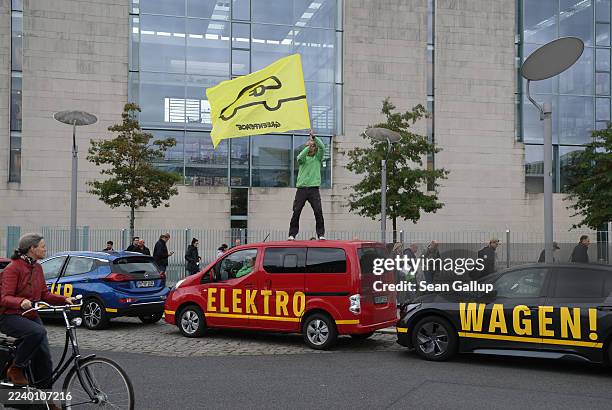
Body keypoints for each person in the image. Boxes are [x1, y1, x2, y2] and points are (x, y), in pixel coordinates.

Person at [0, 234, 75, 409]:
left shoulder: (38, 268)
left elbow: (44, 295)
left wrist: (64, 299)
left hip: (30, 315)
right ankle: (16, 368)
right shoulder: (13, 268)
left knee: (45, 359)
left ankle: (46, 400)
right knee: (38, 332)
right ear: (31, 248)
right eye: (42, 246)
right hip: (9, 316)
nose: (45, 249)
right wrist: (20, 301)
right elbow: (4, 297)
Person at [288, 129, 325, 240]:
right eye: (311, 146)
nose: (312, 148)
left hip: (314, 189)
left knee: (318, 211)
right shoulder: (303, 159)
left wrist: (314, 138)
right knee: (296, 211)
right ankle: (292, 234)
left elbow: (322, 147)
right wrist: (307, 147)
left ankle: (321, 234)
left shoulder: (318, 158)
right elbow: (299, 157)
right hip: (302, 189)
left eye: (314, 146)